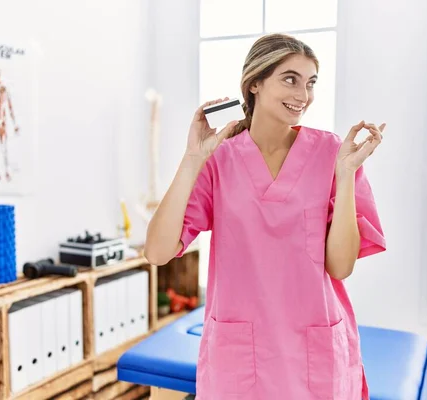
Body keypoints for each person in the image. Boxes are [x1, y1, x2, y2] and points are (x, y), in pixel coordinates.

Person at [144, 33, 386, 400]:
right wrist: (193, 158)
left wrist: (346, 175)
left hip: (314, 351)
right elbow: (158, 252)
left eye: (310, 83)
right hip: (240, 359)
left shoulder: (334, 153)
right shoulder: (219, 159)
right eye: (290, 79)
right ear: (254, 83)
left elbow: (340, 267)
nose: (303, 95)